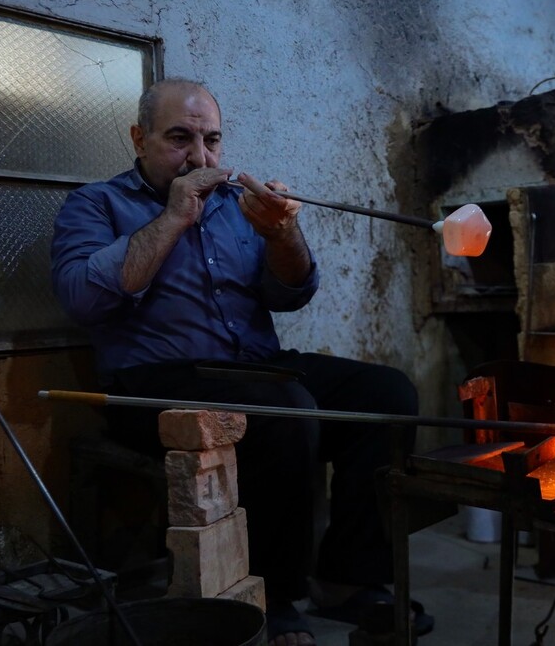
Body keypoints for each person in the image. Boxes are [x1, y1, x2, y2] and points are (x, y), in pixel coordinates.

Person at [51, 77, 433, 646]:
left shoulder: (235, 207)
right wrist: (174, 216)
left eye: (212, 140)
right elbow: (83, 297)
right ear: (139, 138)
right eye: (180, 138)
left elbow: (292, 293)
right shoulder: (95, 204)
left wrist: (283, 234)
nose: (199, 157)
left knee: (387, 394)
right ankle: (273, 596)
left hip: (258, 367)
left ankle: (349, 577)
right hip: (155, 383)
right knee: (284, 410)